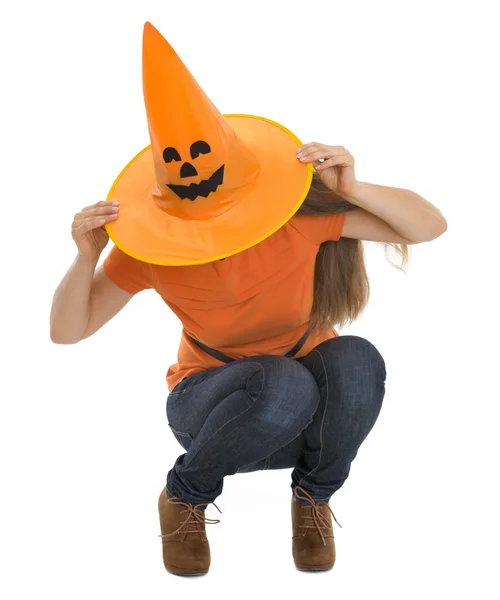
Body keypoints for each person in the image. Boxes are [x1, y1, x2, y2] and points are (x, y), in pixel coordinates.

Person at [49, 22, 448, 577]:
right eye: (182, 170)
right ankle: (185, 494)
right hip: (213, 418)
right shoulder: (153, 249)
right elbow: (68, 331)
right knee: (281, 381)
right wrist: (85, 255)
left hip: (311, 424)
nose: (196, 179)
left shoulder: (294, 221)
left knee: (357, 358)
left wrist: (351, 188)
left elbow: (428, 226)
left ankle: (313, 500)